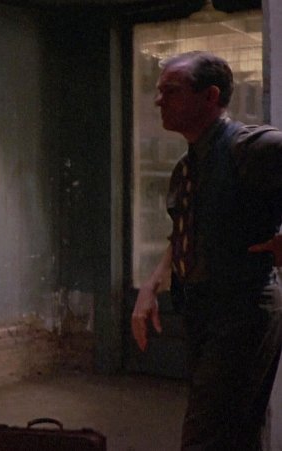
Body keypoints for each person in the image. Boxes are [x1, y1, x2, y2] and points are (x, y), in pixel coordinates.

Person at [131, 51, 282, 450]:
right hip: (203, 309)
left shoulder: (250, 147)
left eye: (171, 91)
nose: (159, 100)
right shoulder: (188, 166)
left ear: (210, 96)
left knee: (206, 437)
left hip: (244, 307)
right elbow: (184, 233)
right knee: (232, 434)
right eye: (159, 91)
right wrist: (151, 284)